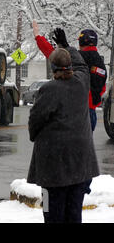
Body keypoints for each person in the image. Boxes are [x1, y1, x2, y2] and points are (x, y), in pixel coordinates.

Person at [28, 28, 100, 223]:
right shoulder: (81, 82)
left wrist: (35, 136)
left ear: (53, 68)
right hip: (80, 165)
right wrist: (66, 46)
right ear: (70, 67)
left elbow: (35, 120)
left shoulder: (48, 90)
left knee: (53, 215)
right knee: (74, 214)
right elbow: (82, 65)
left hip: (54, 169)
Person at [33, 21, 107, 131]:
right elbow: (102, 89)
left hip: (76, 111)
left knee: (68, 145)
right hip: (91, 113)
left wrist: (38, 37)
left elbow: (54, 55)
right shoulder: (100, 63)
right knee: (84, 146)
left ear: (81, 42)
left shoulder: (78, 57)